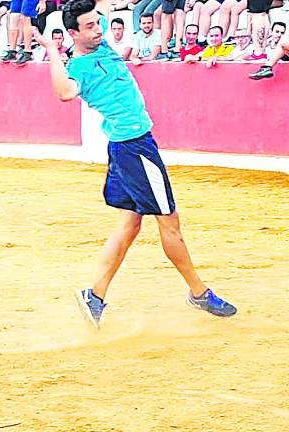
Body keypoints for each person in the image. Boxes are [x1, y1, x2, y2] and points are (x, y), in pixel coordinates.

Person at [31, 0, 237, 329]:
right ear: (73, 34)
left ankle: (94, 296)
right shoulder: (79, 67)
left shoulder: (102, 45)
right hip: (135, 148)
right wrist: (51, 50)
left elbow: (93, 12)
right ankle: (199, 293)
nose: (97, 30)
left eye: (97, 24)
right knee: (170, 224)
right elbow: (65, 94)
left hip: (127, 147)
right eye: (88, 27)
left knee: (131, 224)